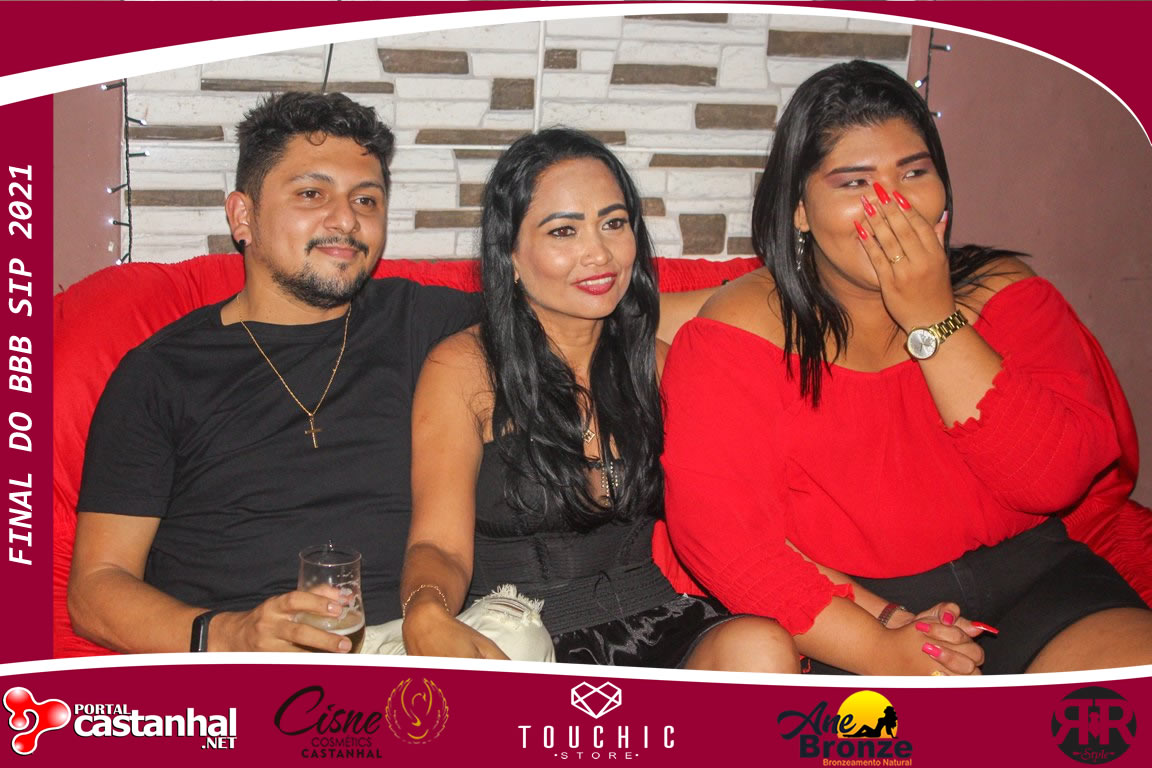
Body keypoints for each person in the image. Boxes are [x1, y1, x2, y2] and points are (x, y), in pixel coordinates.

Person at [660, 60, 1152, 675]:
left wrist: (933, 318)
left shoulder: (1004, 292)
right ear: (799, 210)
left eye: (914, 173)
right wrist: (883, 646)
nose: (891, 205)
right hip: (849, 618)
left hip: (1039, 581)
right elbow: (726, 541)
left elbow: (1053, 481)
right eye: (854, 183)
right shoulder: (738, 331)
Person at [68, 92, 480, 653]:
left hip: (415, 650)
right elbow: (96, 587)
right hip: (246, 668)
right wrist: (232, 634)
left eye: (366, 199)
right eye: (312, 194)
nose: (346, 219)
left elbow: (570, 313)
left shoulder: (419, 322)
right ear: (243, 217)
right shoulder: (162, 373)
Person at [396, 128, 799, 670]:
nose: (599, 253)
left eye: (614, 223)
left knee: (761, 645)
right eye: (564, 231)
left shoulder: (660, 366)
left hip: (659, 623)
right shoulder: (463, 369)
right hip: (525, 642)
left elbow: (745, 519)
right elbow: (439, 545)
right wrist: (426, 609)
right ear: (510, 255)